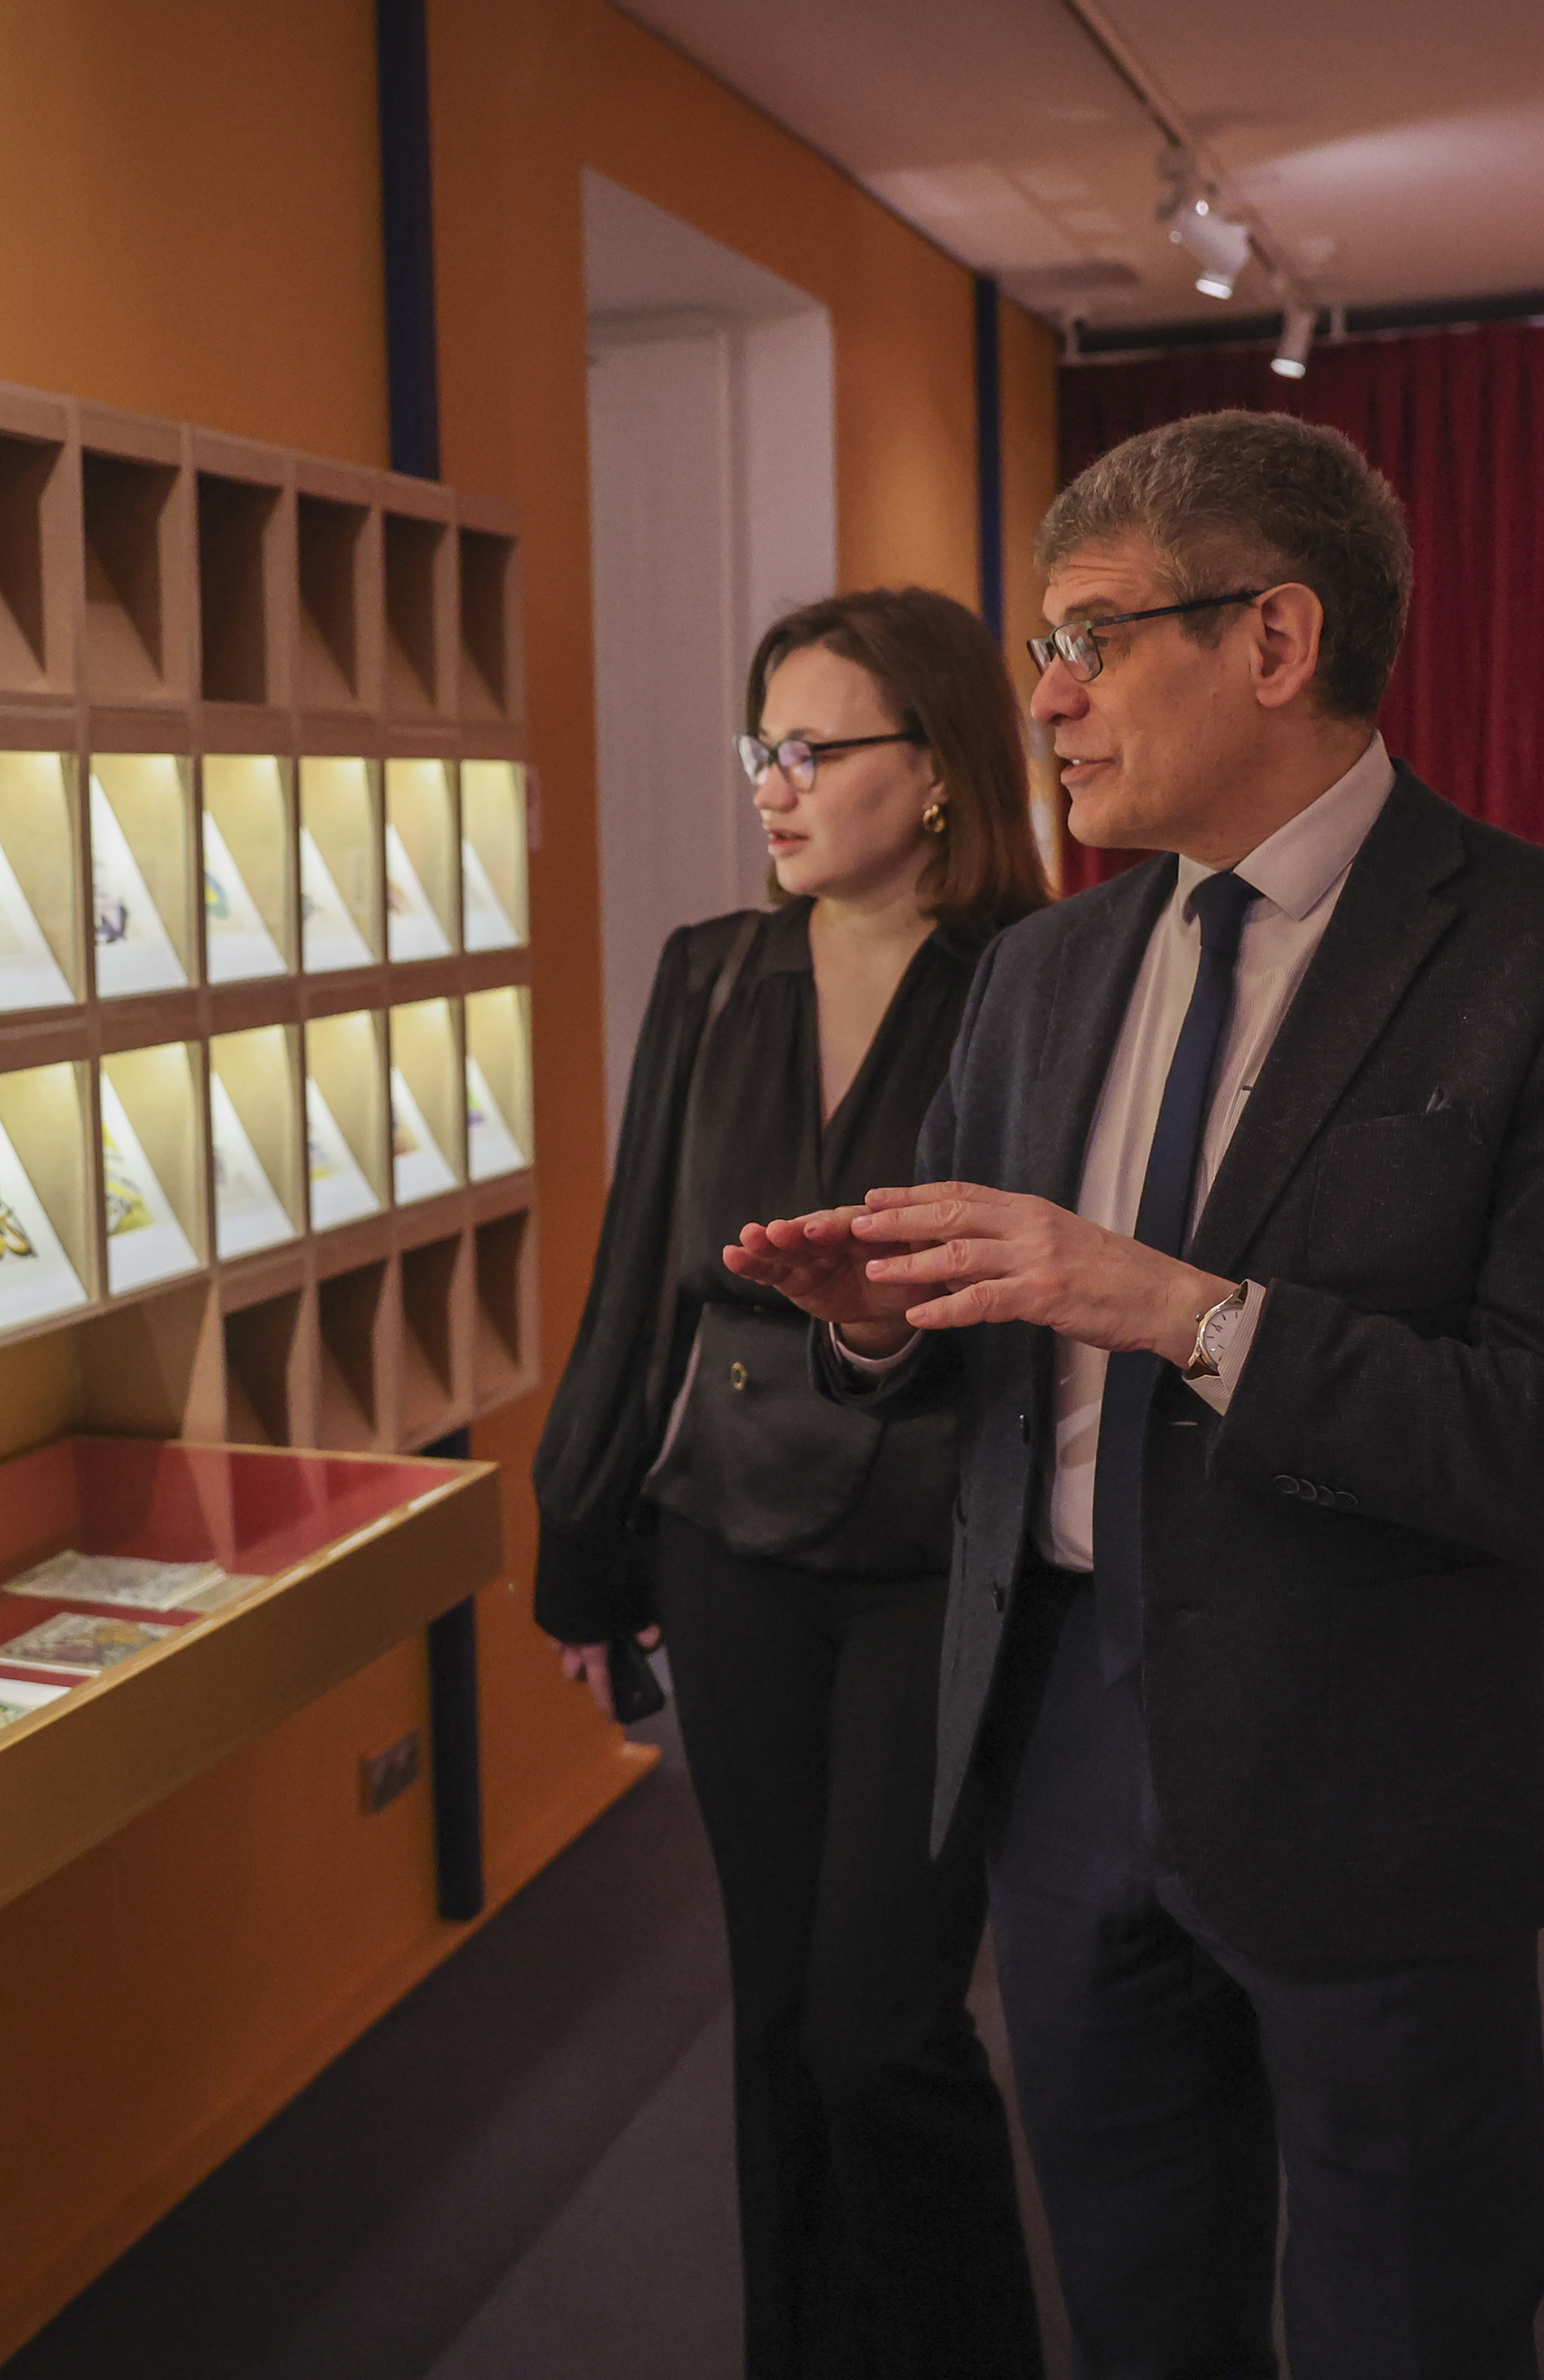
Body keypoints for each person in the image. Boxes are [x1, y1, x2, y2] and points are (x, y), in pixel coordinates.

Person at [726, 412, 1544, 2380]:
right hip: (1063, 1746)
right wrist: (879, 1327)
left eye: (1089, 638)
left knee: (1408, 2329)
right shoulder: (1041, 972)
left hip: (1378, 1760)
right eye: (1042, 646)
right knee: (1139, 2318)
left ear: (1275, 639)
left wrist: (1192, 1314)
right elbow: (993, 1346)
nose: (1045, 698)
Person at [532, 585, 1051, 2380]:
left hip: (938, 1545)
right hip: (729, 1534)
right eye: (764, 745)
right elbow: (635, 1280)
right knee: (777, 2012)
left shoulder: (1030, 979)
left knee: (877, 2023)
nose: (774, 782)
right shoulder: (711, 970)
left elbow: (1049, 1299)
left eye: (816, 747)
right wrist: (587, 1552)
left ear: (939, 769)